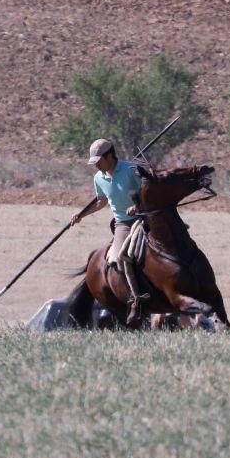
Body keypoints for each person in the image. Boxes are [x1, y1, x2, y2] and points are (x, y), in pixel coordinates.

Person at [70, 138, 150, 324]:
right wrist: (82, 214)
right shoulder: (99, 178)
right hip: (122, 223)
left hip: (143, 217)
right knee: (120, 257)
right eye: (94, 162)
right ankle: (135, 299)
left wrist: (137, 204)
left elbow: (147, 190)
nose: (96, 165)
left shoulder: (130, 169)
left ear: (110, 155)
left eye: (99, 160)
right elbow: (101, 201)